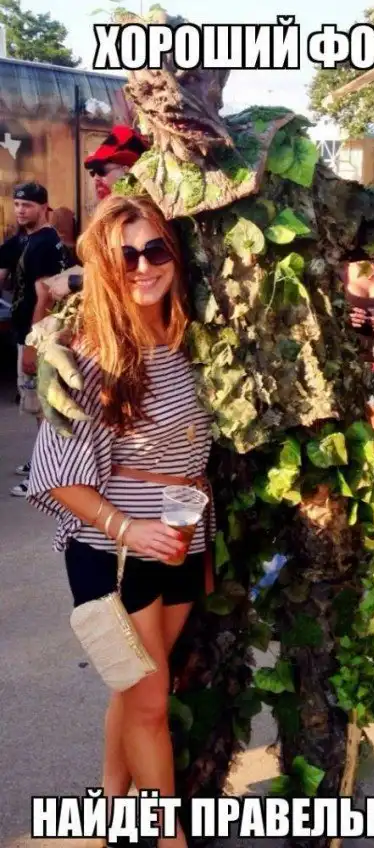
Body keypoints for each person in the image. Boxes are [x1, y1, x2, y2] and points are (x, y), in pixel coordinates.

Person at [27, 195, 214, 847]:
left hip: (182, 537)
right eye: (124, 255)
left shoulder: (189, 340)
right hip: (114, 550)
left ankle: (111, 810)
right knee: (151, 701)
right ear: (105, 267)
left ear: (174, 255)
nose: (142, 266)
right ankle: (168, 837)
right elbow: (56, 473)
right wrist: (128, 529)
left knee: (135, 692)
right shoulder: (92, 354)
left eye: (154, 249)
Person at [2, 183, 72, 496]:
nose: (20, 210)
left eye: (27, 205)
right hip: (29, 333)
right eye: (17, 204)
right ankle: (41, 461)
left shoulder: (44, 244)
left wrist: (33, 344)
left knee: (45, 408)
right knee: (37, 406)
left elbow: (44, 296)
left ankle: (45, 474)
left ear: (44, 208)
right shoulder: (25, 239)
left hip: (39, 336)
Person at [36, 125, 149, 306]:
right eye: (92, 172)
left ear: (128, 170)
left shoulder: (143, 215)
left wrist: (76, 281)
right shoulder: (113, 213)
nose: (95, 178)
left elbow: (137, 272)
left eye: (102, 171)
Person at [342, 255, 374, 474]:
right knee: (346, 441)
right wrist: (345, 316)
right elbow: (322, 312)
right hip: (348, 363)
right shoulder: (341, 267)